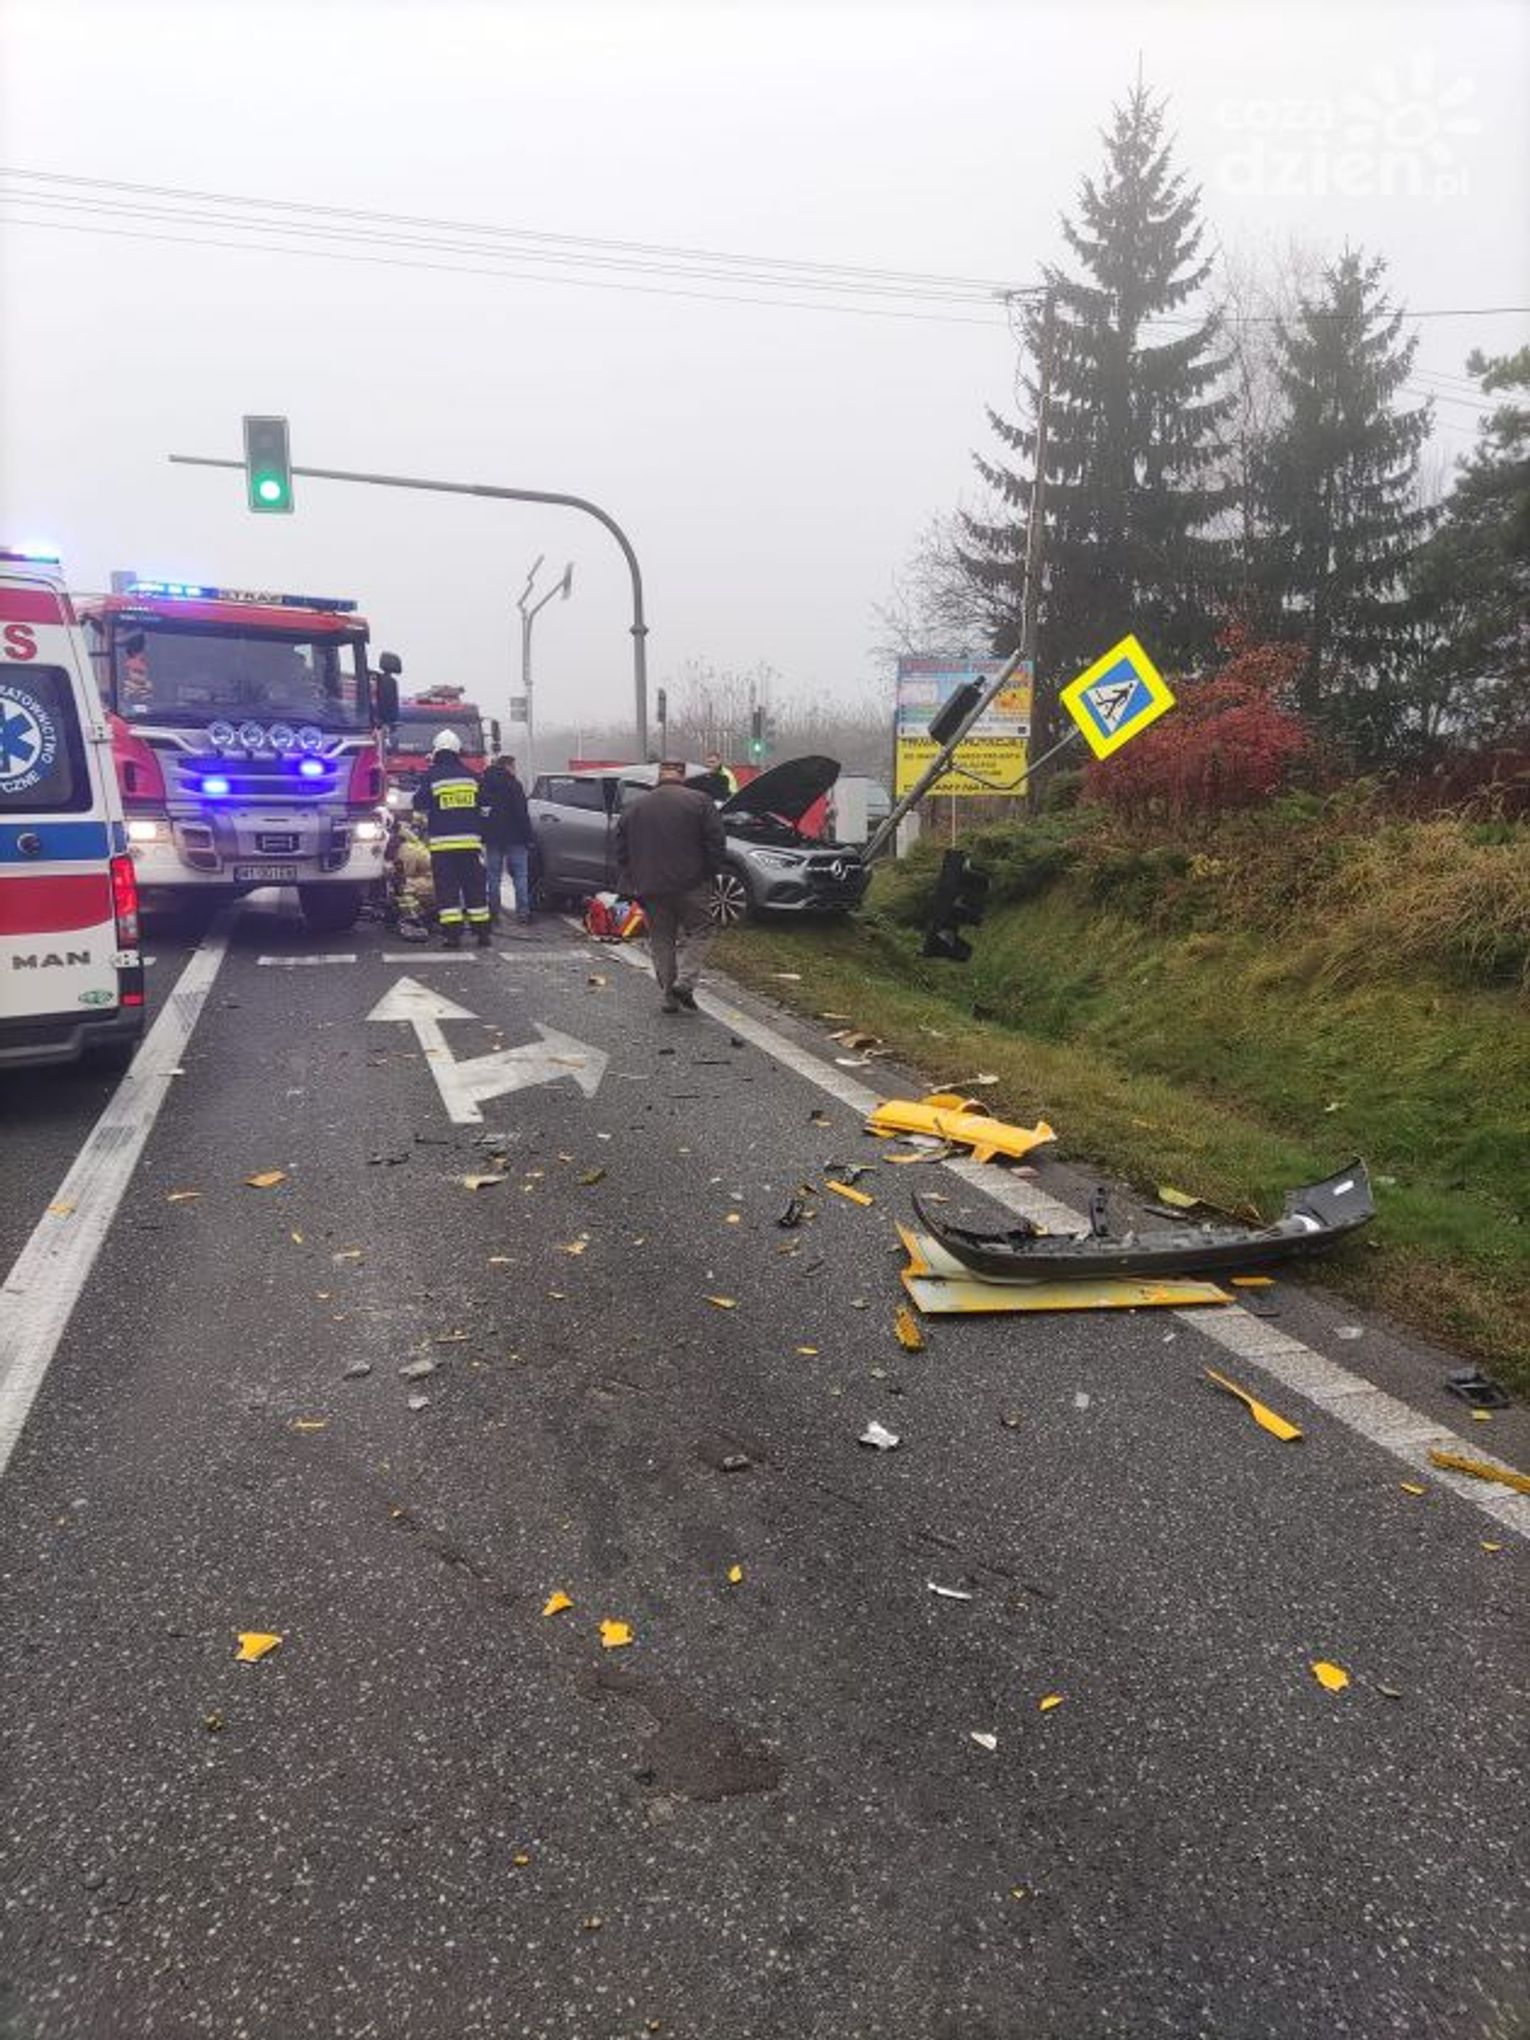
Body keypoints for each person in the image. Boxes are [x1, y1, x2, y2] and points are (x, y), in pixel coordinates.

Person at [616, 760, 726, 1012]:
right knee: (702, 930)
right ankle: (684, 982)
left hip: (651, 886)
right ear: (682, 776)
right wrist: (709, 873)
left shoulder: (635, 807)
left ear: (659, 775)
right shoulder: (700, 801)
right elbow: (716, 842)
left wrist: (634, 878)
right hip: (692, 883)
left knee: (662, 939)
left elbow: (621, 850)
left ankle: (669, 997)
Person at [411, 730, 491, 948]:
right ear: (457, 751)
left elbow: (418, 803)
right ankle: (483, 934)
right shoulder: (471, 776)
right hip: (470, 845)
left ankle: (452, 936)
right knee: (475, 888)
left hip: (443, 846)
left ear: (436, 751)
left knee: (447, 890)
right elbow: (486, 807)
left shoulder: (432, 776)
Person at [478, 752, 535, 925]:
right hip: (516, 837)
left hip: (492, 838)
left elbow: (481, 811)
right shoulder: (514, 784)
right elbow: (521, 813)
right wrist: (529, 837)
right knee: (520, 875)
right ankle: (523, 913)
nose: (515, 770)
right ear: (508, 766)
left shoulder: (484, 783)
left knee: (493, 875)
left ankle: (493, 912)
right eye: (514, 766)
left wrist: (484, 833)